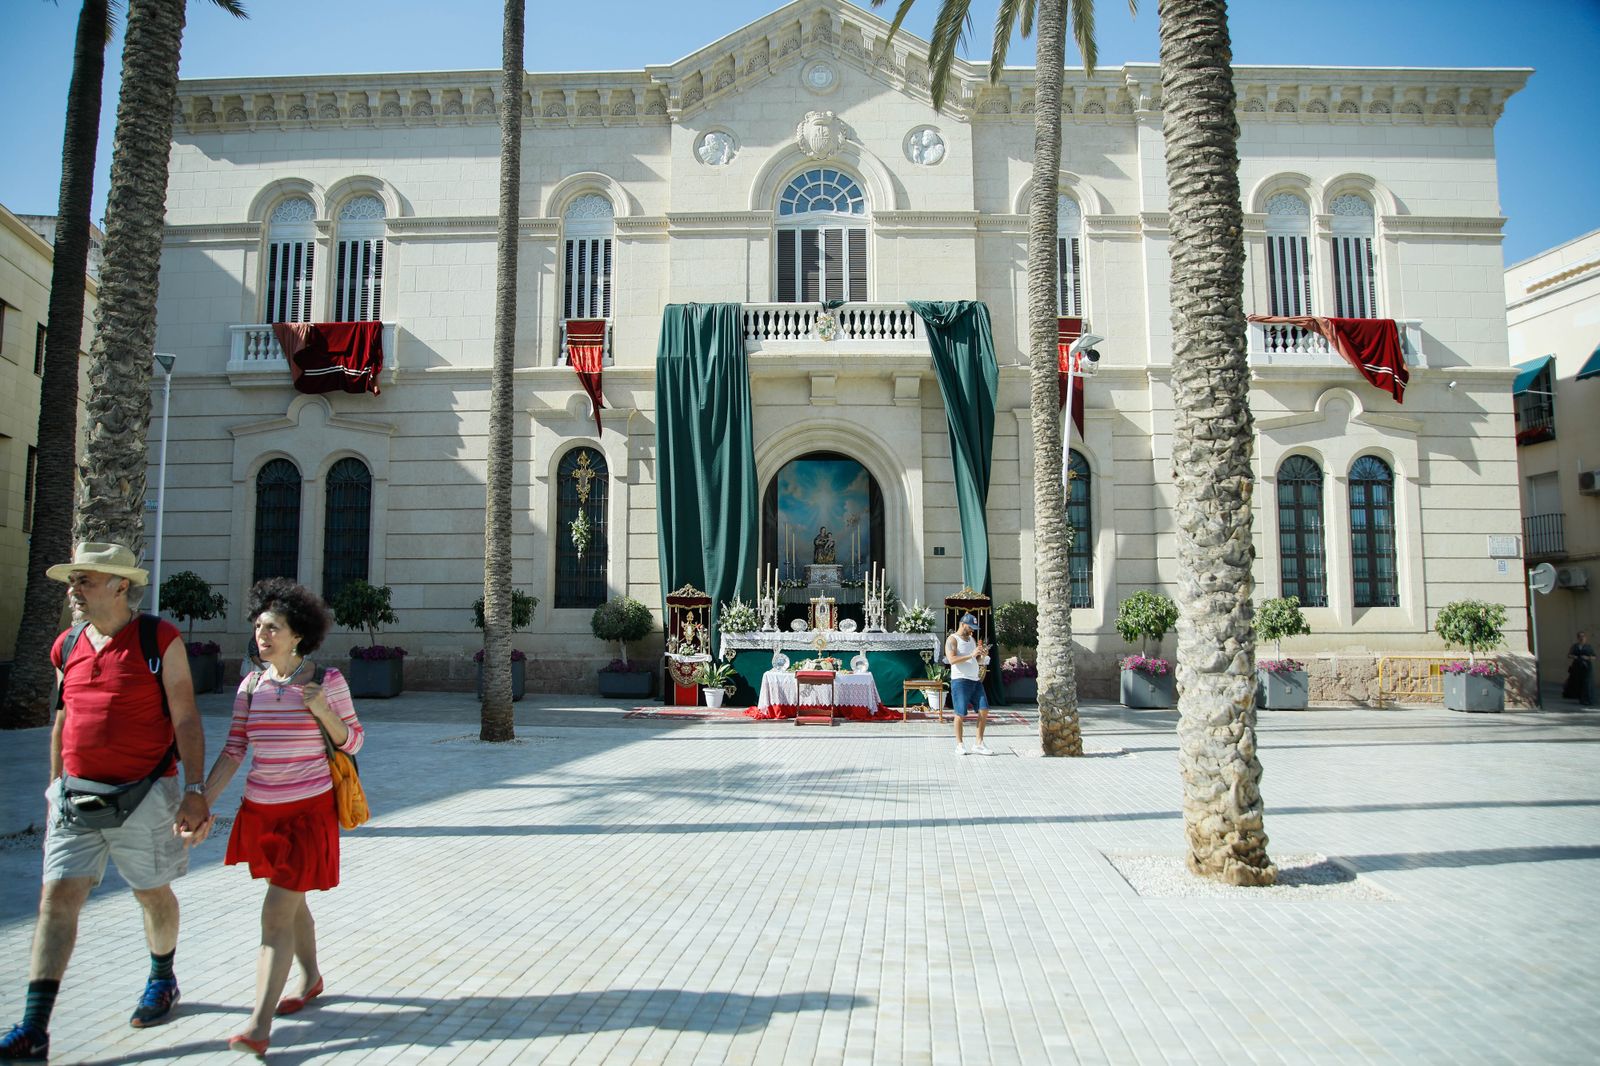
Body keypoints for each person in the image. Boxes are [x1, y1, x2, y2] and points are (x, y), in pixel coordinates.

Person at [0, 543, 210, 1062]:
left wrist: (195, 790)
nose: (75, 588)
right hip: (76, 797)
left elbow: (185, 716)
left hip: (145, 794)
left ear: (120, 584)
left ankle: (162, 978)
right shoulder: (65, 645)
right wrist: (54, 788)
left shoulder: (158, 638)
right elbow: (63, 720)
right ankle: (34, 1025)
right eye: (74, 579)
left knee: (150, 894)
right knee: (56, 901)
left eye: (86, 579)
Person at [194, 578, 364, 1058]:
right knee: (293, 905)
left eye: (274, 628)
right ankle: (311, 978)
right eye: (259, 626)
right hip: (262, 813)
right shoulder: (251, 685)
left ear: (298, 636)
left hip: (307, 815)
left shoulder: (326, 682)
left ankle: (258, 1025)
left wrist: (323, 711)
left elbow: (353, 742)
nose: (262, 635)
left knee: (275, 915)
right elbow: (233, 750)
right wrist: (202, 799)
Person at [946, 612, 993, 756]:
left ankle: (979, 743)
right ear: (962, 624)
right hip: (960, 681)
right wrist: (971, 655)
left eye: (974, 627)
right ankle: (959, 745)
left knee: (984, 709)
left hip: (975, 680)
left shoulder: (971, 639)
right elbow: (952, 660)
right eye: (970, 627)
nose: (972, 630)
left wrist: (982, 656)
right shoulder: (952, 639)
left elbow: (975, 660)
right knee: (960, 713)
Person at [1564, 631, 1596, 707]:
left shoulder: (1588, 647)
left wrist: (1587, 658)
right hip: (1577, 667)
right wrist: (1574, 656)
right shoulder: (1575, 646)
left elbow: (1594, 656)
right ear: (1578, 638)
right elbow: (1569, 655)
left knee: (1587, 683)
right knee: (1579, 683)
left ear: (1585, 638)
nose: (1582, 638)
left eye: (1583, 636)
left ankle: (1589, 699)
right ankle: (1581, 699)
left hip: (1586, 667)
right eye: (1580, 637)